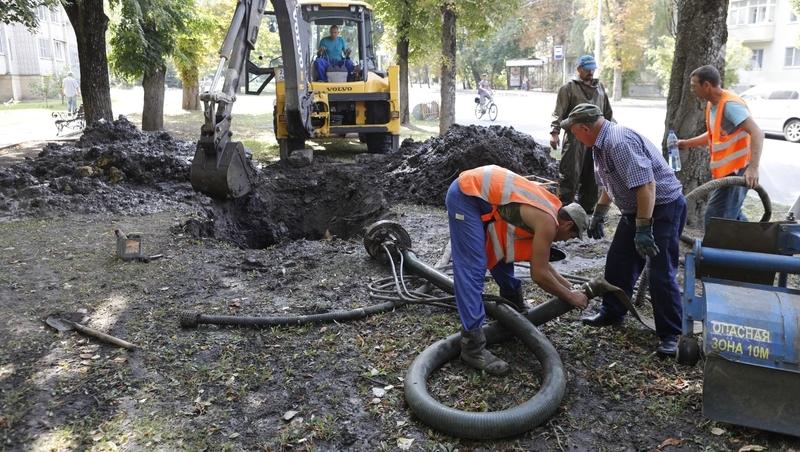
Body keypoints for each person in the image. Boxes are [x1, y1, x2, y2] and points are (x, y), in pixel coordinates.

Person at [562, 103, 686, 356]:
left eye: (574, 132)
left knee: (660, 271)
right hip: (636, 210)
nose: (574, 137)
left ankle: (671, 334)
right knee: (618, 263)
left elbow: (646, 186)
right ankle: (612, 312)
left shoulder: (618, 143)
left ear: (585, 128)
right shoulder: (600, 144)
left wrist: (643, 228)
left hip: (662, 208)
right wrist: (600, 212)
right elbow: (613, 182)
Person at [446, 165, 590, 375]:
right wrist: (570, 297)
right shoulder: (548, 223)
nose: (567, 241)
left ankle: (514, 308)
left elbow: (541, 262)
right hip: (466, 195)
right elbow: (538, 274)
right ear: (568, 226)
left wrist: (568, 285)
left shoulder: (552, 208)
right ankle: (472, 347)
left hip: (483, 200)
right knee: (472, 268)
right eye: (571, 237)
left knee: (502, 251)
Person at [676, 65, 764, 228]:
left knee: (715, 218)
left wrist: (753, 168)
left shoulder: (730, 105)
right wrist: (686, 143)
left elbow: (758, 133)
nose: (692, 89)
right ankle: (755, 243)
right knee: (731, 215)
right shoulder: (713, 104)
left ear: (707, 85)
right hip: (726, 172)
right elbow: (713, 135)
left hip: (739, 171)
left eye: (694, 85)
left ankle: (719, 251)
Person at [550, 55, 613, 215]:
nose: (591, 72)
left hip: (597, 138)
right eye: (587, 69)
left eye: (593, 69)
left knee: (593, 175)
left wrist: (611, 132)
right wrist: (554, 132)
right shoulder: (568, 88)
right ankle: (565, 209)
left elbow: (607, 113)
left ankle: (588, 209)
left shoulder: (600, 88)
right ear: (579, 69)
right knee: (570, 173)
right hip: (575, 139)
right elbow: (558, 112)